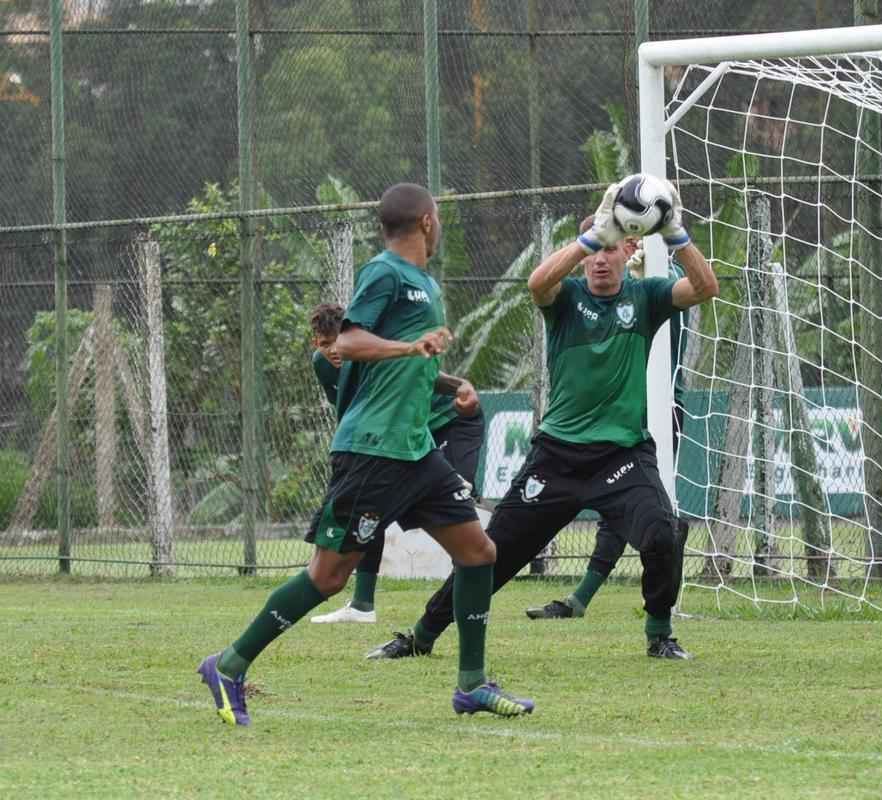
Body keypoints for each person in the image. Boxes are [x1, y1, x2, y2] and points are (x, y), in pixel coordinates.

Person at [197, 183, 534, 725]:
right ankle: (230, 665)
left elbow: (402, 365)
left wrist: (450, 383)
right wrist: (410, 346)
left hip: (416, 450)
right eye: (438, 216)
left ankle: (471, 684)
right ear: (427, 221)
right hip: (373, 452)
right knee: (328, 577)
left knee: (478, 552)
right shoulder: (385, 272)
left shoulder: (423, 283)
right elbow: (349, 343)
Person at [366, 176, 718, 662]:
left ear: (629, 250)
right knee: (490, 555)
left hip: (623, 456)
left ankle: (659, 633)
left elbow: (705, 288)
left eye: (610, 250)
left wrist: (676, 231)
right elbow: (537, 283)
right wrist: (593, 234)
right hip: (557, 457)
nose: (599, 259)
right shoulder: (567, 298)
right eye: (593, 250)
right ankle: (422, 637)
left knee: (662, 531)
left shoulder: (647, 298)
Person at [524, 240, 691, 620]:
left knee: (640, 515)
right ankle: (580, 599)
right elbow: (540, 285)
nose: (602, 258)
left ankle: (609, 607)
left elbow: (686, 304)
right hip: (601, 418)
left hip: (654, 412)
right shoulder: (588, 293)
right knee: (617, 513)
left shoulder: (660, 285)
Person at [306, 305, 488, 624]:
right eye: (325, 344)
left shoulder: (375, 353)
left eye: (338, 342)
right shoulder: (322, 365)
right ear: (315, 344)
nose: (334, 351)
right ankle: (362, 605)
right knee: (368, 505)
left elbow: (431, 378)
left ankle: (465, 608)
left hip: (447, 422)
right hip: (400, 436)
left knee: (462, 519)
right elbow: (349, 409)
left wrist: (462, 385)